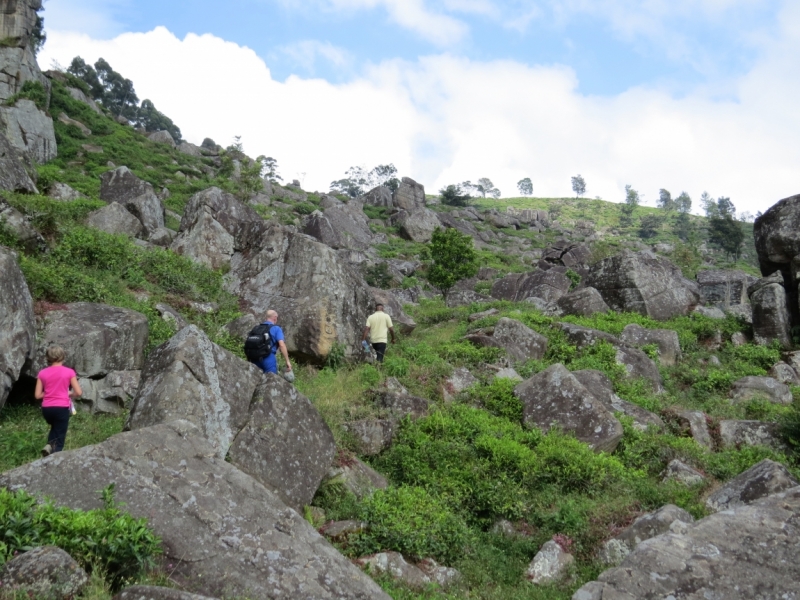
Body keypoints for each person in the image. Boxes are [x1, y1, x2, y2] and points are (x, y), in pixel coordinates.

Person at [34, 345, 82, 457]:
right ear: (63, 357)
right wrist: (70, 393)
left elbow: (37, 395)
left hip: (47, 409)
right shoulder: (69, 372)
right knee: (60, 436)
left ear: (48, 358)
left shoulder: (42, 373)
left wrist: (51, 392)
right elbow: (78, 392)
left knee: (55, 427)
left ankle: (49, 445)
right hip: (61, 408)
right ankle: (54, 459)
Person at [252, 310, 293, 376]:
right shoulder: (276, 328)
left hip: (254, 358)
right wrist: (287, 361)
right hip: (268, 358)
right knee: (270, 381)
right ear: (275, 317)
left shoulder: (257, 328)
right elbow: (282, 345)